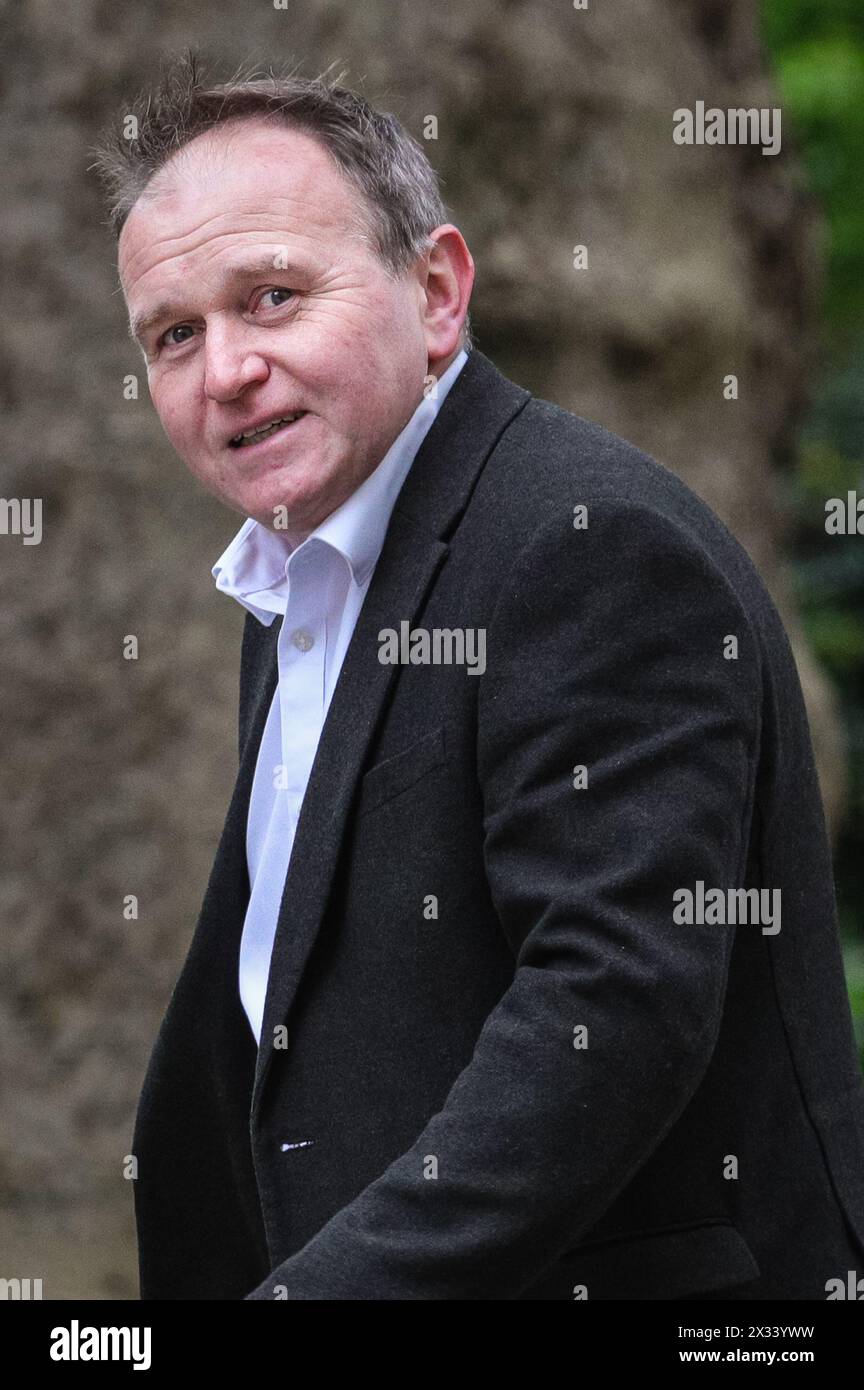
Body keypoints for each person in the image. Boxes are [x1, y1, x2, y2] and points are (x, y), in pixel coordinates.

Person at [92, 56, 864, 1300]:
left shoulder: (584, 545)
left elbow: (609, 1014)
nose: (224, 368)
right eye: (175, 335)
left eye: (274, 297)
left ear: (438, 290)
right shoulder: (305, 574)